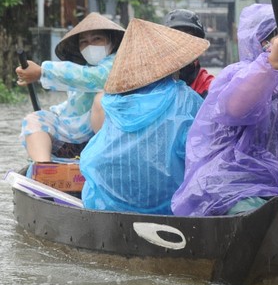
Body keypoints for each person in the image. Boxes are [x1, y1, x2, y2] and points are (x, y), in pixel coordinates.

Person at [171, 4, 278, 224]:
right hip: (223, 186)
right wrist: (271, 63)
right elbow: (237, 109)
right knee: (254, 216)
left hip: (271, 190)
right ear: (264, 43)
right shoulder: (237, 74)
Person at [80, 18, 208, 214]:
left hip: (108, 204)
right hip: (169, 206)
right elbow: (204, 154)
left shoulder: (108, 101)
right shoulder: (185, 98)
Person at [15, 13, 125, 162]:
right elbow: (75, 103)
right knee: (35, 119)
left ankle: (105, 163)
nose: (89, 45)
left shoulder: (118, 63)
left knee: (102, 99)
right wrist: (56, 112)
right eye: (84, 42)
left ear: (112, 41)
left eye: (97, 39)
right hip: (76, 135)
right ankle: (44, 168)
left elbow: (95, 77)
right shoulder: (82, 69)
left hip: (107, 139)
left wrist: (42, 71)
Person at [162, 8, 216, 98]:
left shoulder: (208, 86)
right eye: (176, 40)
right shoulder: (151, 83)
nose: (182, 48)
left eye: (188, 41)